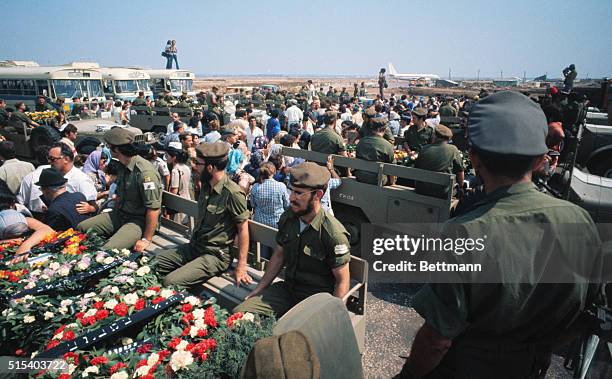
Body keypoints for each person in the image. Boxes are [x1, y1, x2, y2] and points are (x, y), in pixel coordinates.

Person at [398, 91, 603, 379]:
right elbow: (588, 312)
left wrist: (407, 375)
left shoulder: (462, 234)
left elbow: (437, 341)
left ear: (474, 159)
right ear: (541, 161)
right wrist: (544, 347)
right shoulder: (579, 221)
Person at [233, 162, 351, 317]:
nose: (291, 197)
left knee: (290, 336)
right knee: (240, 315)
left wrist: (331, 318)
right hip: (288, 290)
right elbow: (279, 254)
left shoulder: (332, 233)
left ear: (318, 195)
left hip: (315, 300)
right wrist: (259, 289)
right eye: (291, 191)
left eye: (298, 193)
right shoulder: (289, 217)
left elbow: (342, 281)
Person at [154, 141, 252, 288]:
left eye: (197, 163)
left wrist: (241, 266)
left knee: (171, 282)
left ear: (210, 168)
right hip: (195, 246)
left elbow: (243, 229)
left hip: (215, 255)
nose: (194, 166)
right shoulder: (206, 186)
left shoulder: (232, 193)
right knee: (152, 264)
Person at [77, 128, 162, 251]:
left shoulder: (144, 173)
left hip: (138, 221)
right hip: (121, 214)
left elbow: (153, 209)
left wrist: (146, 239)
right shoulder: (122, 165)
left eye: (108, 146)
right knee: (81, 227)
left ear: (116, 149)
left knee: (108, 249)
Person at [414, 124, 464, 198]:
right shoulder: (453, 149)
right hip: (442, 192)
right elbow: (460, 171)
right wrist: (461, 187)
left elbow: (417, 168)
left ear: (435, 136)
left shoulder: (424, 149)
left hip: (421, 190)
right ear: (448, 139)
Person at [354, 118, 395, 185]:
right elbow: (392, 167)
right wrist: (392, 182)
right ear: (384, 129)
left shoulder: (361, 142)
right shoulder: (387, 145)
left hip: (360, 176)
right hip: (378, 180)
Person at [250, 162, 290, 228]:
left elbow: (253, 204)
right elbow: (287, 205)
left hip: (259, 223)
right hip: (277, 223)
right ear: (274, 172)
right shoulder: (281, 186)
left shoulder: (255, 186)